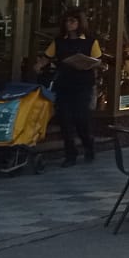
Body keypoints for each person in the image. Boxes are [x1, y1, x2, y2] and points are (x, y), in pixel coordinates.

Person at [41, 9, 103, 167]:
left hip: (83, 85)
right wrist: (39, 65)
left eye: (73, 21)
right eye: (67, 21)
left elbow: (99, 61)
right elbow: (47, 57)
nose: (69, 24)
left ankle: (88, 146)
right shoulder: (59, 41)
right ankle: (70, 154)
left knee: (81, 118)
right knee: (64, 120)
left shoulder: (89, 42)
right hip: (64, 85)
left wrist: (88, 63)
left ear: (80, 23)